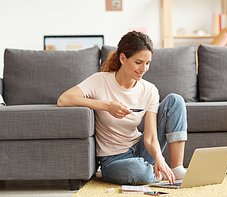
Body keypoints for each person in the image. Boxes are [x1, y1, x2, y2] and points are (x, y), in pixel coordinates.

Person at [57, 31, 187, 185]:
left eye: (147, 63)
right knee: (140, 172)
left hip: (140, 149)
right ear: (123, 58)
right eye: (138, 62)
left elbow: (150, 137)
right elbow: (64, 99)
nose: (144, 68)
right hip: (113, 160)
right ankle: (156, 172)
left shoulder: (150, 90)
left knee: (175, 100)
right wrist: (106, 105)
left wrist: (159, 158)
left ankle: (176, 169)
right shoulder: (100, 80)